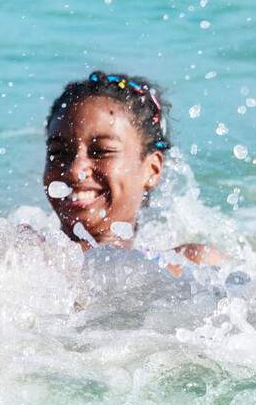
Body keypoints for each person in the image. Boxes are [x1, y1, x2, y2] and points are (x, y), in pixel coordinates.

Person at [42, 71, 221, 268]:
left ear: (152, 170)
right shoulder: (20, 254)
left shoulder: (186, 267)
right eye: (58, 152)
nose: (74, 170)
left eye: (102, 151)